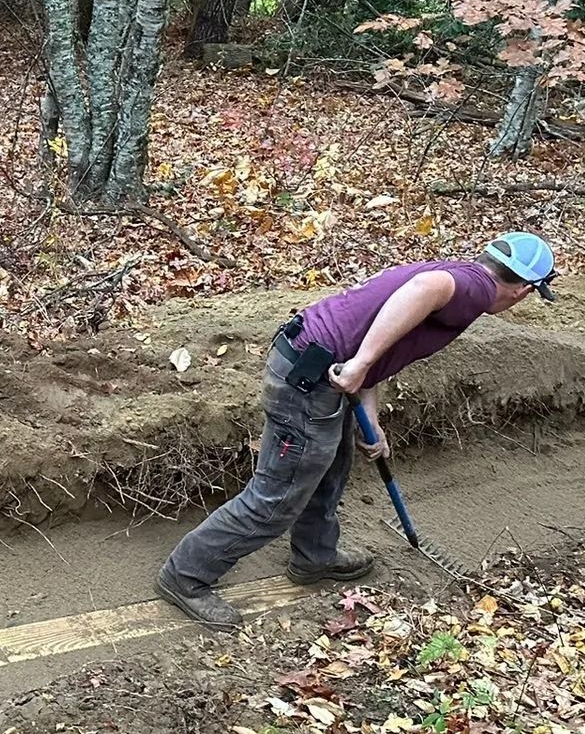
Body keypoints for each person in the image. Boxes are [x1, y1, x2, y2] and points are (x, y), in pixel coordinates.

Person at [156, 233, 558, 630]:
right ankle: (186, 576)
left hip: (319, 366)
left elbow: (380, 341)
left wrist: (372, 413)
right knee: (278, 497)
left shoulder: (465, 276)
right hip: (310, 378)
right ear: (524, 290)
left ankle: (315, 556)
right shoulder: (471, 288)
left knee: (331, 464)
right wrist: (361, 363)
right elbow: (422, 290)